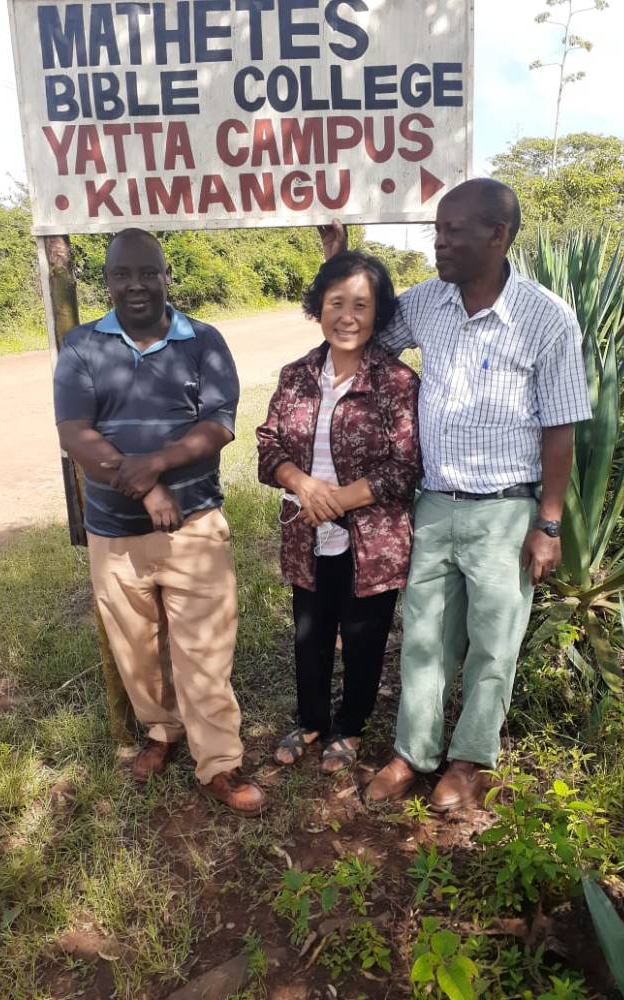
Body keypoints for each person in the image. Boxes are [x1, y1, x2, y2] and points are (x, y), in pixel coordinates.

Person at [320, 179, 591, 809]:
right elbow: (360, 330)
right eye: (437, 230)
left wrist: (549, 523)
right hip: (436, 502)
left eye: (452, 231)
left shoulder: (546, 318)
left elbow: (560, 427)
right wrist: (337, 260)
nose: (438, 242)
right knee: (425, 636)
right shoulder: (427, 302)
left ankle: (469, 760)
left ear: (497, 236)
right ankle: (412, 753)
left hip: (507, 508)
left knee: (493, 643)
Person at [53, 227, 265, 816]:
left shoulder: (204, 341)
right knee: (138, 651)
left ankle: (218, 763)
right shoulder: (81, 346)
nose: (137, 285)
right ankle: (161, 731)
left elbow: (218, 425)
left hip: (194, 526)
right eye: (123, 274)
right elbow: (75, 433)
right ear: (107, 280)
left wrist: (158, 464)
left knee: (205, 651)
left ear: (168, 276)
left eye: (149, 272)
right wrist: (147, 487)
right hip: (113, 533)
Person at [256, 251, 421, 774]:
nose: (347, 317)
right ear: (318, 307)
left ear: (379, 313)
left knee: (364, 637)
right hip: (306, 533)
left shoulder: (396, 382)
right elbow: (268, 445)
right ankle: (311, 721)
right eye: (336, 303)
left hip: (372, 538)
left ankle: (350, 727)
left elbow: (405, 467)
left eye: (361, 305)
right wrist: (303, 485)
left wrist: (333, 502)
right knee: (309, 633)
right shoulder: (296, 375)